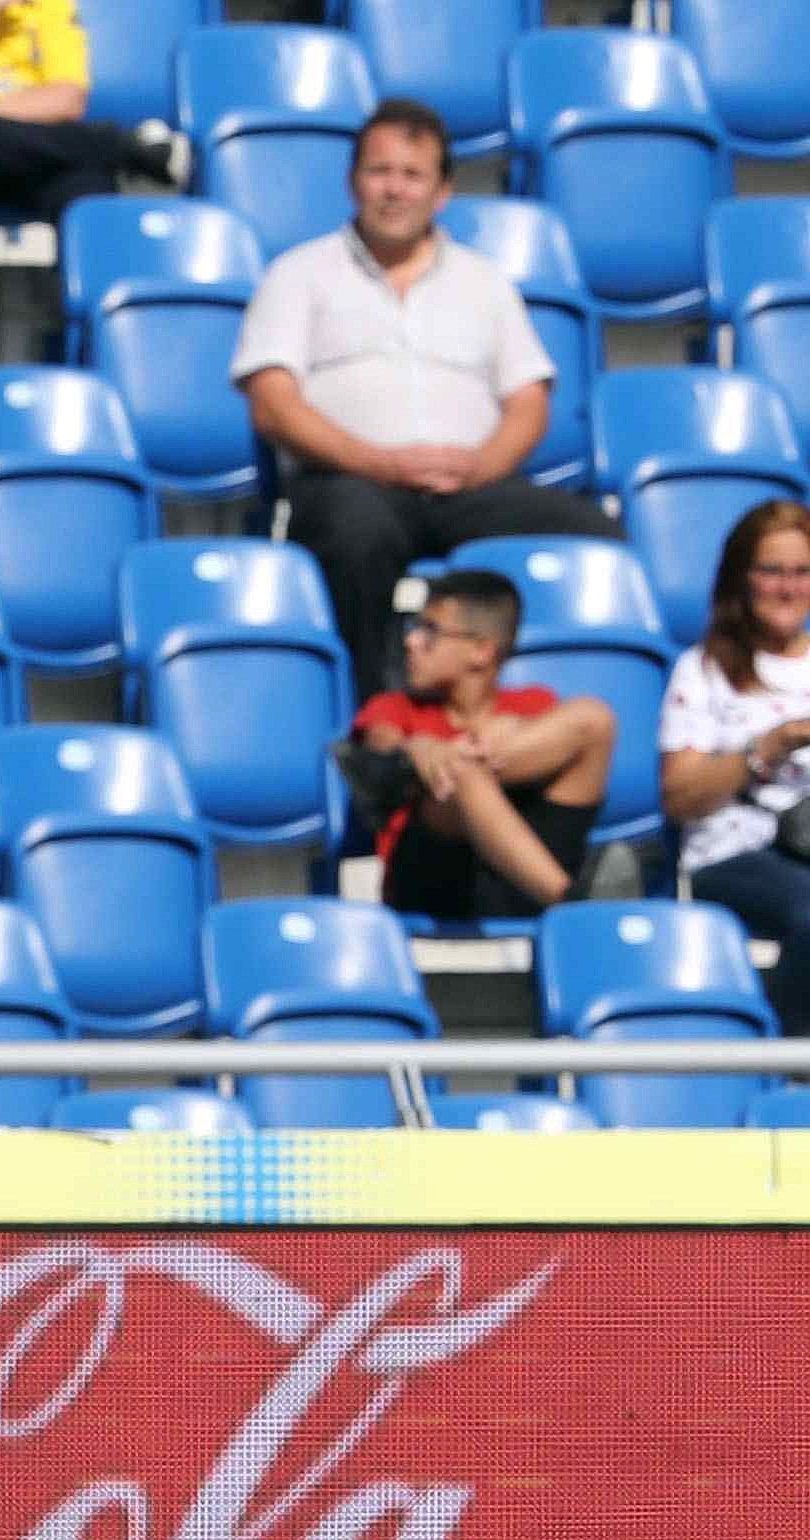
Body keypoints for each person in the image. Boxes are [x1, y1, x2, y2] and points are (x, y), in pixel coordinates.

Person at [233, 98, 619, 696]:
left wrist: (481, 467)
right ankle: (373, 725)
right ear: (352, 181)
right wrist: (378, 462)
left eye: (413, 175)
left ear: (442, 192)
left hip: (469, 487)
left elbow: (528, 400)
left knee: (592, 536)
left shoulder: (484, 281)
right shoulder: (298, 273)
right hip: (348, 482)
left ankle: (549, 716)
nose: (395, 190)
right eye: (380, 172)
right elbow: (272, 404)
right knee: (354, 534)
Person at [342, 570, 613, 923]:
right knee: (458, 774)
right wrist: (419, 747)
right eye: (414, 629)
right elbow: (383, 748)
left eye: (430, 631)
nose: (411, 642)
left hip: (516, 883)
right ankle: (578, 907)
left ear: (482, 651)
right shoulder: (394, 708)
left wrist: (511, 737)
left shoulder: (533, 705)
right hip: (432, 883)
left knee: (594, 718)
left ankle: (571, 902)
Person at [662, 498, 810, 1035]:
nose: (788, 588)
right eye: (772, 571)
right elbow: (680, 798)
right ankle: (793, 1065)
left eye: (801, 572)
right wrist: (772, 745)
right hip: (732, 852)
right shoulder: (705, 670)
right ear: (742, 578)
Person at [0, 0, 189, 220]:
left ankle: (108, 309)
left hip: (26, 159)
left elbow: (68, 100)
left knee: (85, 186)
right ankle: (124, 147)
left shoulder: (48, 5)